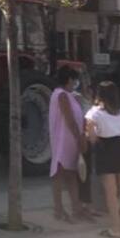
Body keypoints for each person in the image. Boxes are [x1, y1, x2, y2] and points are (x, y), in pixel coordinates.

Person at [85, 81, 120, 238]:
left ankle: (115, 228)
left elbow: (91, 136)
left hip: (105, 149)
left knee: (111, 192)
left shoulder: (95, 112)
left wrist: (92, 137)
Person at [49, 66, 91, 223]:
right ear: (69, 80)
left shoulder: (70, 95)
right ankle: (58, 209)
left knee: (72, 174)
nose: (75, 83)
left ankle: (76, 207)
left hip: (71, 140)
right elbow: (69, 119)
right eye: (74, 80)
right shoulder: (61, 95)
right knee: (59, 173)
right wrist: (79, 137)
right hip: (65, 139)